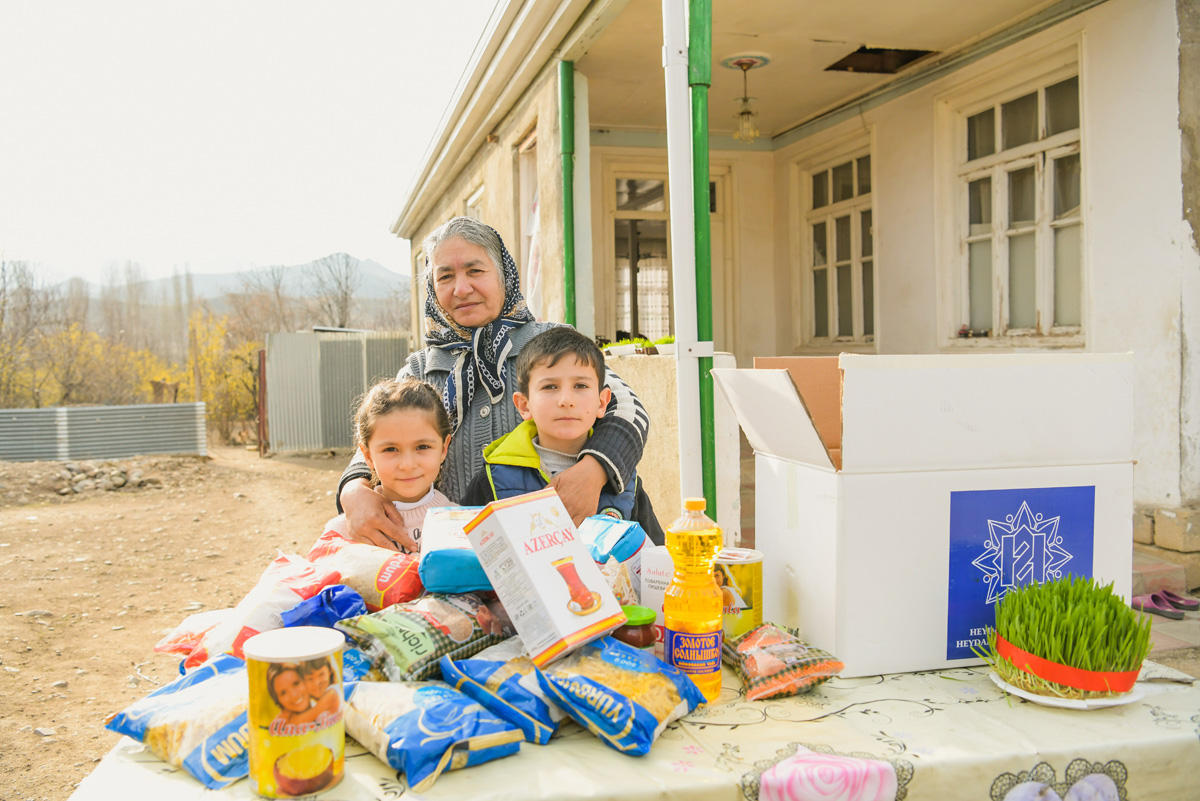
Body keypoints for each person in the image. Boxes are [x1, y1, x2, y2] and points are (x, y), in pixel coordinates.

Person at [337, 216, 649, 551]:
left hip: (554, 549)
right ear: (432, 289)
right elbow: (376, 439)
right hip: (455, 555)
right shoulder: (420, 370)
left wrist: (594, 471)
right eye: (445, 276)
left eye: (475, 271)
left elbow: (629, 410)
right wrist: (353, 489)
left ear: (504, 275)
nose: (461, 288)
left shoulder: (554, 346)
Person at [461, 327, 663, 543]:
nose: (566, 400)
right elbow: (465, 552)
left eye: (580, 385)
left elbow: (653, 559)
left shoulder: (624, 483)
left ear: (602, 402)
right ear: (524, 405)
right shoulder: (493, 479)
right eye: (550, 387)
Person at [350, 378, 454, 552]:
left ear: (444, 448)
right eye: (391, 449)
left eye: (422, 447)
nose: (407, 465)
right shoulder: (351, 529)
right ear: (367, 455)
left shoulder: (463, 525)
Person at [266, 663, 340, 736]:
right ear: (278, 700)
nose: (294, 695)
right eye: (283, 693)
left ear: (305, 680)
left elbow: (301, 720)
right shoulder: (283, 720)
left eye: (296, 683)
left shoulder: (330, 695)